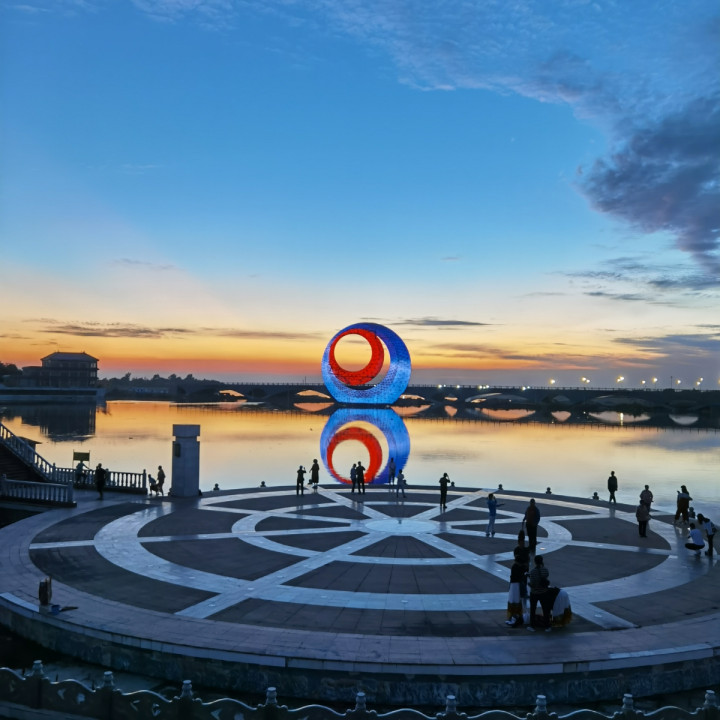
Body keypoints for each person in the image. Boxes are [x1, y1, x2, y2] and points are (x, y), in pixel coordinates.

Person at [527, 555, 552, 631]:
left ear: (535, 562)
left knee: (533, 609)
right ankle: (547, 626)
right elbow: (545, 577)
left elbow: (533, 584)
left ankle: (532, 626)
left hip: (534, 593)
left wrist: (528, 583)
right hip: (544, 592)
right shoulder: (545, 570)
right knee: (545, 609)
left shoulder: (532, 572)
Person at [505, 558, 527, 627]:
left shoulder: (515, 566)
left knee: (512, 601)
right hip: (518, 584)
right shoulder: (523, 567)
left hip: (514, 585)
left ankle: (513, 617)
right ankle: (518, 616)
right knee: (517, 601)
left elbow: (513, 576)